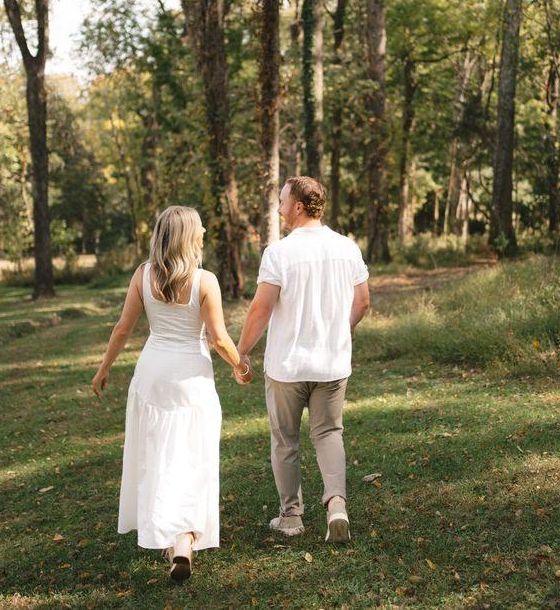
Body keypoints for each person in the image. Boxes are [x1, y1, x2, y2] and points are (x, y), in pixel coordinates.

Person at [90, 206, 251, 581]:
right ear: (187, 236)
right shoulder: (204, 281)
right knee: (192, 456)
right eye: (199, 228)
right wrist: (240, 367)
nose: (204, 231)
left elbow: (123, 328)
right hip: (191, 378)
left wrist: (104, 368)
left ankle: (169, 535)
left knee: (157, 456)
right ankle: (183, 539)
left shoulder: (142, 275)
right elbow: (218, 339)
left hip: (152, 375)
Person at [237, 176, 371, 542]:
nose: (279, 207)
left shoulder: (279, 253)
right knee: (328, 433)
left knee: (286, 440)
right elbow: (362, 302)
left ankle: (291, 517)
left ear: (297, 206)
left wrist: (241, 352)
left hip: (288, 366)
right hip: (332, 364)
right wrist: (342, 330)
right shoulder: (347, 247)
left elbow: (260, 309)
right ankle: (337, 505)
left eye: (282, 201)